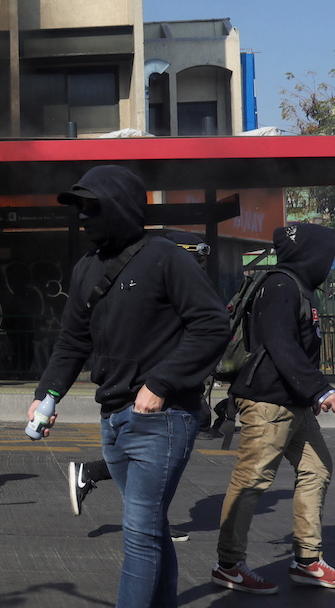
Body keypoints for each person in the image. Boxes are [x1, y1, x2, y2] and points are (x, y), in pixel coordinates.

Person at [27, 164, 229, 608]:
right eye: (80, 209)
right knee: (152, 530)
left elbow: (213, 325)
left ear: (119, 207)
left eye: (92, 208)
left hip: (164, 417)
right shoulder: (86, 268)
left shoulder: (167, 257)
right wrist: (47, 395)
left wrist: (160, 383)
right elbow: (72, 341)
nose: (84, 218)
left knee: (139, 534)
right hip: (113, 418)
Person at [67, 231, 216, 545]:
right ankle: (137, 512)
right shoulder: (160, 277)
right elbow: (74, 339)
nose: (201, 266)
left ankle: (144, 518)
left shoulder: (179, 281)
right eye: (198, 258)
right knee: (147, 472)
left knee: (146, 480)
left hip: (154, 391)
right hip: (152, 396)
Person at [212, 223, 335, 594]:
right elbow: (281, 346)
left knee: (317, 469)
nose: (329, 263)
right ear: (311, 255)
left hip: (292, 402)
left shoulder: (298, 286)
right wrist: (319, 390)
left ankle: (307, 560)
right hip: (268, 402)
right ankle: (229, 565)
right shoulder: (281, 285)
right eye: (327, 255)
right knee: (251, 481)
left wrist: (308, 394)